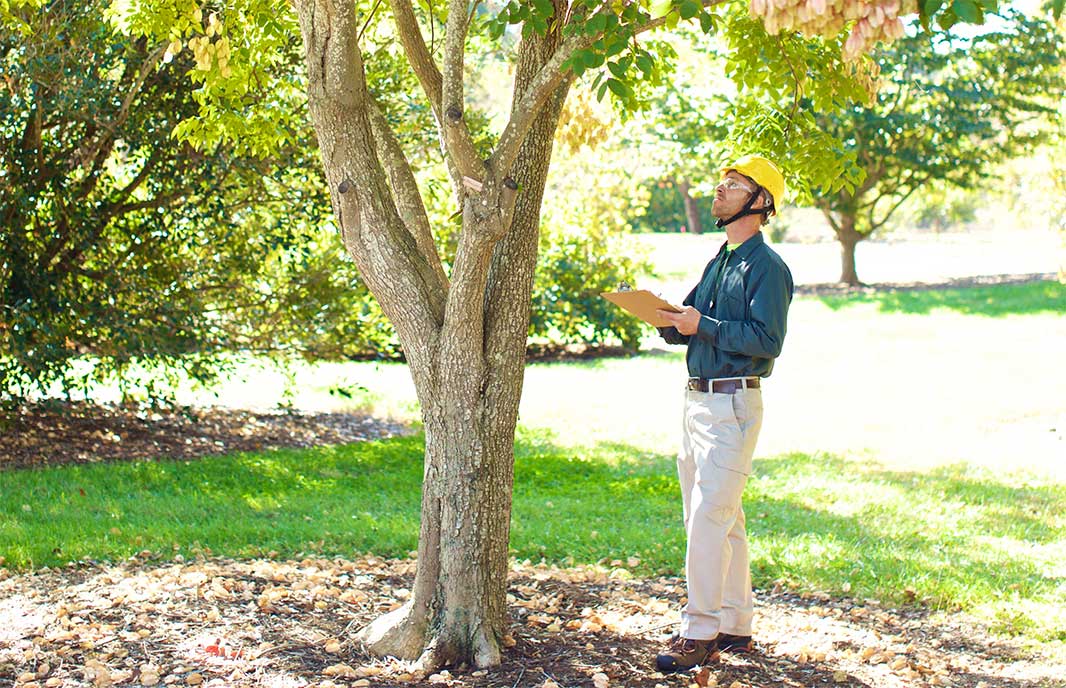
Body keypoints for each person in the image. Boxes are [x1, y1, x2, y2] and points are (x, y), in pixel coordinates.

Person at [653, 154, 794, 672]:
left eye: (733, 185)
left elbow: (767, 341)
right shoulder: (720, 260)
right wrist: (667, 318)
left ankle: (699, 630)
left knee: (709, 517)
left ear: (760, 202)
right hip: (697, 400)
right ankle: (736, 623)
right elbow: (692, 319)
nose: (719, 189)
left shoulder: (768, 268)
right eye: (722, 182)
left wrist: (701, 326)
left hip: (732, 403)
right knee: (720, 515)